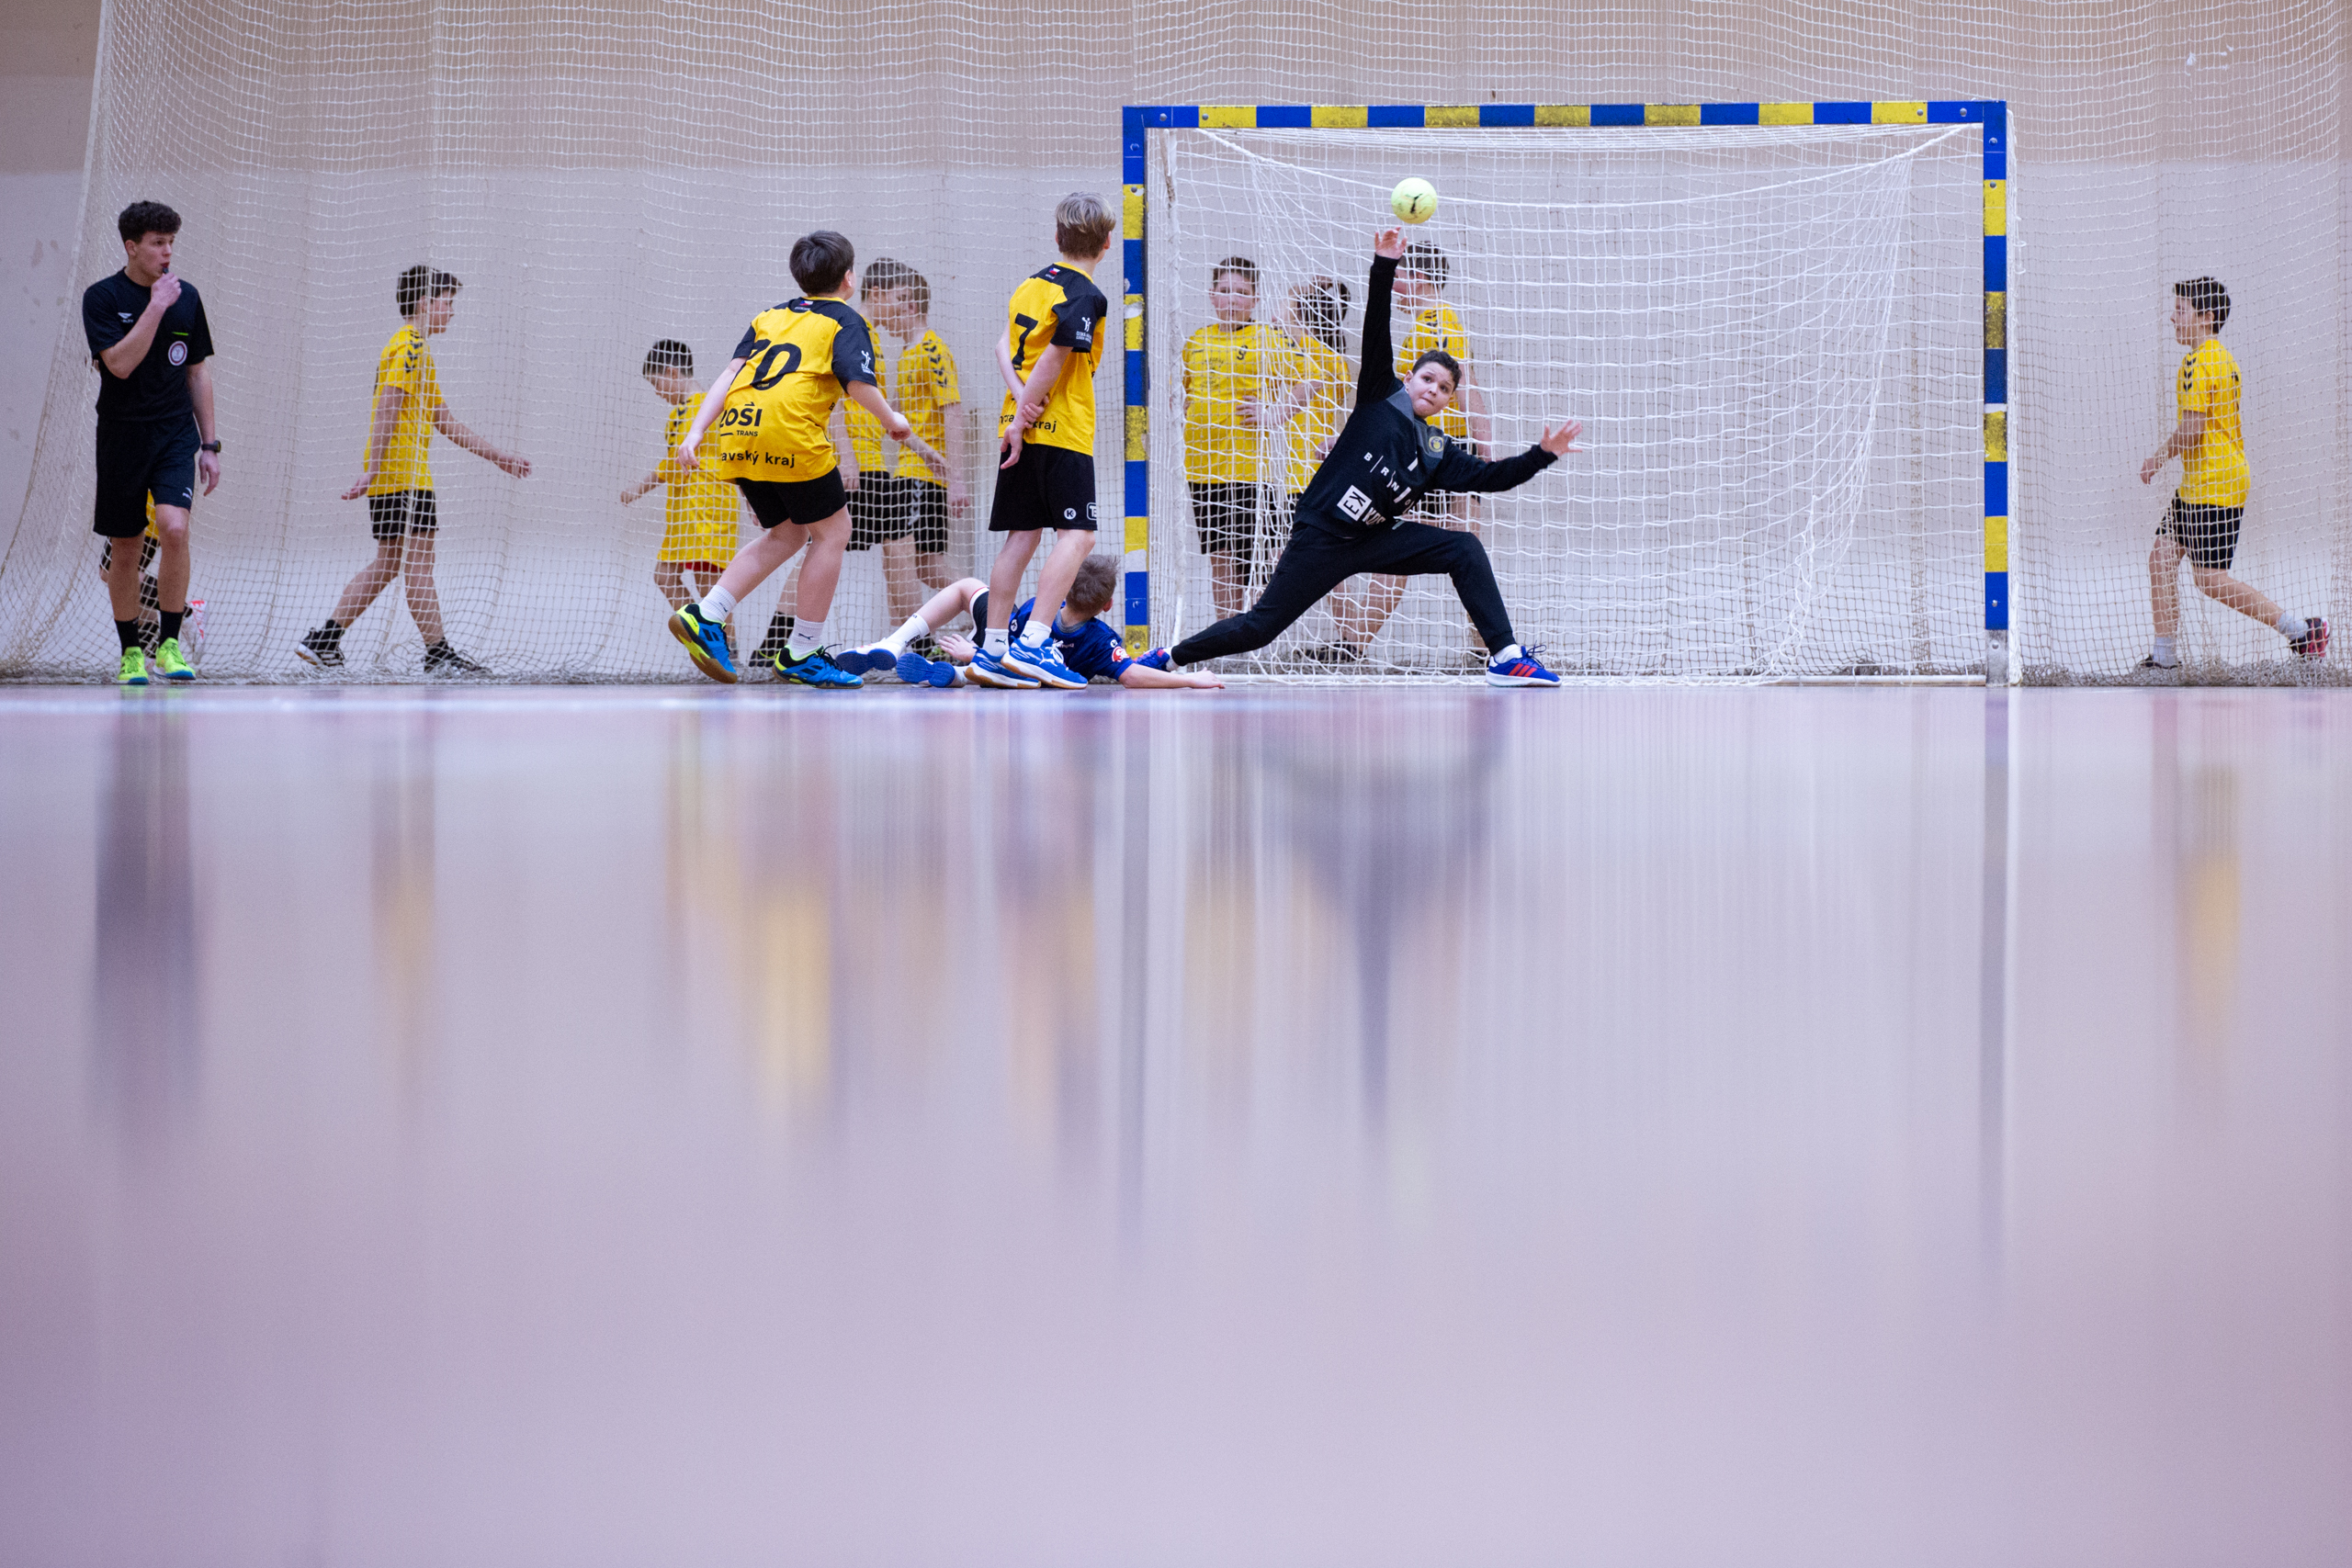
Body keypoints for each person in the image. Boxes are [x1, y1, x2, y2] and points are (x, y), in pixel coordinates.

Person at [1167, 228, 1577, 688]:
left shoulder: (1437, 451)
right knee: (1259, 628)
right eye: (1427, 379)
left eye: (1444, 388)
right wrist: (1384, 263)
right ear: (1409, 378)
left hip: (1375, 538)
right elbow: (1376, 322)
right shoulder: (1379, 394)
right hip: (1323, 535)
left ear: (1449, 400)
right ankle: (1168, 659)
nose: (1433, 389)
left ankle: (1505, 656)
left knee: (1464, 548)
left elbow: (1495, 477)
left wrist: (1543, 454)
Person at [665, 230, 913, 687]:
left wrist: (697, 430)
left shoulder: (769, 316)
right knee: (834, 532)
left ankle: (707, 613)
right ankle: (801, 650)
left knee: (787, 533)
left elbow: (730, 373)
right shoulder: (845, 320)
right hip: (789, 432)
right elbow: (857, 383)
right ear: (849, 278)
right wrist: (891, 418)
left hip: (738, 432)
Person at [297, 265, 531, 674]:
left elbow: (444, 420)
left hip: (395, 474)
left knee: (388, 563)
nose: (452, 311)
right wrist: (372, 469)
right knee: (419, 565)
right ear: (425, 303)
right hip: (403, 474)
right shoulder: (410, 346)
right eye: (448, 302)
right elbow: (388, 404)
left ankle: (324, 640)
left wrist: (498, 456)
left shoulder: (414, 349)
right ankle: (438, 656)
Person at [2138, 276, 2325, 671]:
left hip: (2215, 483)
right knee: (2162, 557)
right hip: (2199, 484)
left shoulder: (2198, 362)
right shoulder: (2221, 357)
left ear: (2206, 317)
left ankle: (2301, 632)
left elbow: (2192, 430)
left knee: (2209, 579)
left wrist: (2157, 458)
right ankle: (2165, 658)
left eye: (2181, 310)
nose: (2172, 318)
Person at [970, 192, 1117, 691]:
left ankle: (992, 650)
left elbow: (1002, 348)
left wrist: (1018, 408)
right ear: (1107, 243)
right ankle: (1033, 643)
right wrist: (1025, 414)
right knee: (1079, 536)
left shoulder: (1029, 286)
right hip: (1062, 429)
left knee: (1022, 535)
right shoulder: (1086, 294)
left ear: (1057, 237)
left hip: (1021, 425)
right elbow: (1056, 356)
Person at [1325, 236, 1494, 661]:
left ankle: (1488, 649)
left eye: (1398, 276)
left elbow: (1465, 386)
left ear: (1417, 277)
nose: (1396, 286)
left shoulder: (1437, 322)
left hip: (1438, 454)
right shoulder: (1429, 325)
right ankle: (1356, 646)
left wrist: (1485, 451)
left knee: (1431, 551)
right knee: (1407, 552)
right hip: (1428, 453)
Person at [83, 199, 217, 685]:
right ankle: (131, 654)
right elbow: (119, 364)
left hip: (175, 434)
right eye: (158, 243)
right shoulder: (101, 297)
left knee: (174, 528)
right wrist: (156, 306)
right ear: (132, 247)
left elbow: (197, 373)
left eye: (171, 243)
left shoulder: (189, 297)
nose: (167, 253)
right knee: (125, 546)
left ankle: (170, 646)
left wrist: (210, 445)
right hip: (122, 435)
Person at [839, 556, 1221, 691]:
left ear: (1063, 586)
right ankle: (963, 672)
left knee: (968, 587)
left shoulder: (1038, 609)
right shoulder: (1102, 640)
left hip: (999, 649)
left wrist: (979, 649)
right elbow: (1133, 675)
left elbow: (1008, 634)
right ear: (1106, 606)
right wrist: (1190, 679)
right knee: (1032, 680)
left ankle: (900, 641)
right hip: (1034, 680)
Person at [1182, 254, 1287, 618]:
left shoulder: (1268, 338)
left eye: (1241, 292)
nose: (1232, 299)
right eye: (1225, 291)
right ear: (1212, 295)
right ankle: (1225, 631)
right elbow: (1184, 393)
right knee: (1220, 555)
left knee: (1257, 558)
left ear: (1255, 299)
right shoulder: (1196, 341)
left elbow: (1311, 380)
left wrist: (1273, 414)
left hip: (1249, 469)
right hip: (1203, 469)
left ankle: (1253, 634)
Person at [622, 339, 744, 652]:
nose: (657, 392)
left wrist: (639, 487)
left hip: (709, 506)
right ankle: (708, 638)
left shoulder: (710, 406)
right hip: (683, 512)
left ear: (672, 373)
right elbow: (673, 463)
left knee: (708, 582)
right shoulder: (677, 415)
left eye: (656, 383)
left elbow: (734, 457)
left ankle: (728, 648)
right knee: (664, 575)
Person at [865, 258, 968, 606]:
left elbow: (953, 412)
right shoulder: (906, 354)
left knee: (902, 557)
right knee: (925, 565)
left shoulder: (933, 350)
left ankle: (992, 609)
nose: (890, 316)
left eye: (899, 303)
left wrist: (957, 479)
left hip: (922, 477)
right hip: (910, 471)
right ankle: (991, 607)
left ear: (910, 305)